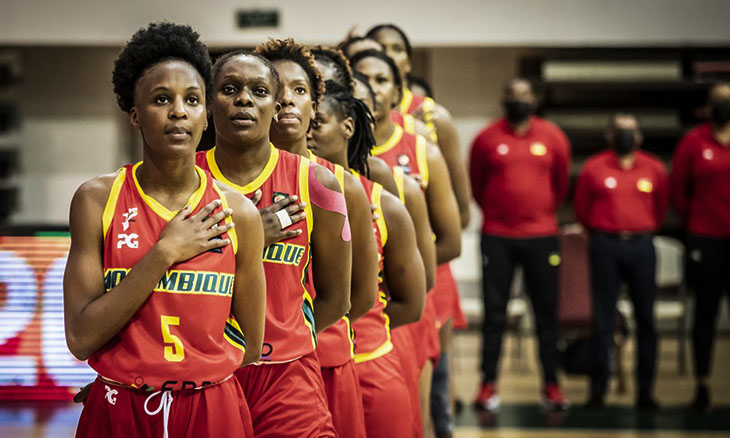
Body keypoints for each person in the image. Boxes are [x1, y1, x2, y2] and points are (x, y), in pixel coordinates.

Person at [64, 23, 265, 438]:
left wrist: (192, 372)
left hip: (210, 407)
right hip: (121, 406)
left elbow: (249, 344)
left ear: (206, 113)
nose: (178, 111)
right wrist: (163, 254)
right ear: (135, 115)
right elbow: (81, 338)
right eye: (161, 100)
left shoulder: (238, 212)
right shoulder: (97, 200)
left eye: (192, 100)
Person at [198, 49, 351, 437]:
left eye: (259, 91)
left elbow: (337, 298)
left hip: (288, 377)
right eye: (229, 89)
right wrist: (249, 237)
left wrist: (290, 337)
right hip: (206, 376)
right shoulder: (186, 179)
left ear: (274, 104)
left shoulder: (318, 182)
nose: (244, 99)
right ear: (209, 106)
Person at [255, 38, 379, 438]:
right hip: (234, 365)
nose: (286, 100)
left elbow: (359, 296)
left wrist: (292, 337)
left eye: (299, 90)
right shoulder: (216, 181)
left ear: (315, 104)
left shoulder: (340, 186)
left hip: (319, 359)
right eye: (274, 89)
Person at [352, 48, 461, 437]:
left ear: (398, 89)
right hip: (342, 328)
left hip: (399, 305)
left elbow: (452, 235)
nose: (373, 92)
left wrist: (400, 265)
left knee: (420, 413)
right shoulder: (315, 172)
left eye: (382, 80)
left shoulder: (417, 153)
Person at [309, 79, 426, 438]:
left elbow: (411, 301)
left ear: (347, 127)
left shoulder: (383, 202)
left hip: (368, 361)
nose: (305, 129)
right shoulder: (281, 193)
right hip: (298, 368)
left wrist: (365, 324)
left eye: (318, 122)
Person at [470, 78, 571, 411]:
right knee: (495, 315)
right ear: (504, 100)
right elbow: (477, 185)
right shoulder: (487, 138)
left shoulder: (553, 136)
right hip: (497, 236)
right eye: (513, 96)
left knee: (546, 315)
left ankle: (551, 386)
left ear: (535, 100)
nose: (519, 101)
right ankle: (488, 384)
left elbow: (559, 185)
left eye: (525, 96)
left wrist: (536, 214)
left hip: (541, 236)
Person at [574, 113, 668, 410]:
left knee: (646, 320)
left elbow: (662, 206)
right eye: (619, 131)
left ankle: (645, 391)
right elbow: (581, 209)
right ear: (608, 135)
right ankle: (599, 388)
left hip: (641, 246)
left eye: (630, 131)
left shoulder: (653, 168)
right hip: (605, 245)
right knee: (603, 319)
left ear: (638, 137)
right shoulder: (594, 168)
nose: (626, 136)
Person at [670, 82, 730, 412]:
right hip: (705, 237)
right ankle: (703, 384)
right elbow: (678, 191)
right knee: (704, 313)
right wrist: (697, 223)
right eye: (719, 101)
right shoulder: (694, 142)